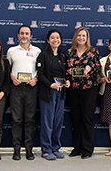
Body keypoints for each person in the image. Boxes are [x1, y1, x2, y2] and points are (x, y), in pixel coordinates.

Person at [66, 26, 101, 159]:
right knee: (76, 120)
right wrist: (68, 72)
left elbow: (98, 69)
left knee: (87, 119)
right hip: (74, 90)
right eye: (79, 35)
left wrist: (90, 67)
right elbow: (66, 70)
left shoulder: (93, 51)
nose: (81, 38)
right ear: (76, 37)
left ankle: (87, 149)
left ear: (87, 38)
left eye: (84, 36)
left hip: (89, 90)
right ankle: (77, 148)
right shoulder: (70, 52)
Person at [7, 25, 41, 160]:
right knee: (16, 119)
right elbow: (6, 69)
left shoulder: (37, 51)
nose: (24, 36)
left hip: (31, 89)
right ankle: (16, 149)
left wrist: (36, 79)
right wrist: (12, 77)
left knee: (30, 120)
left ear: (31, 36)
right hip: (16, 88)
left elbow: (40, 70)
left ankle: (29, 149)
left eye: (27, 33)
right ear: (18, 35)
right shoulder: (11, 51)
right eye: (22, 33)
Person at [36, 30, 70, 160]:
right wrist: (50, 85)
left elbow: (64, 74)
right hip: (48, 92)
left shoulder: (62, 57)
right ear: (48, 40)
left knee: (57, 122)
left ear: (60, 40)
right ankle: (46, 149)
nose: (55, 40)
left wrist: (66, 81)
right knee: (47, 121)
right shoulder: (43, 55)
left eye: (58, 37)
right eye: (52, 38)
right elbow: (40, 74)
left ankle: (56, 148)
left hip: (60, 92)